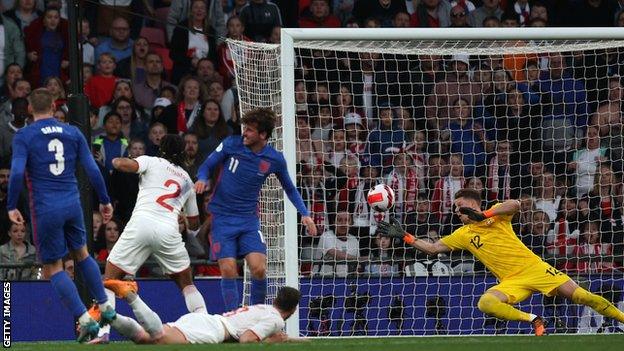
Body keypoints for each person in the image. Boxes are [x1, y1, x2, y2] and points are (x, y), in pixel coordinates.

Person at [376, 188, 624, 336]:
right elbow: (432, 248)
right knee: (485, 303)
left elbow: (516, 204)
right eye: (454, 209)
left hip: (535, 269)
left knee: (583, 297)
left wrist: (484, 215)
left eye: (459, 207)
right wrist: (406, 237)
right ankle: (533, 320)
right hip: (511, 281)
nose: (456, 211)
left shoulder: (497, 216)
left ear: (473, 204)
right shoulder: (462, 235)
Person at [6, 88, 115, 342]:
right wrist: (105, 200)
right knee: (82, 253)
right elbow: (91, 168)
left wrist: (11, 204)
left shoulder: (24, 135)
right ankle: (105, 305)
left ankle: (85, 319)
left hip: (46, 208)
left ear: (30, 109)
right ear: (55, 106)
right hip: (72, 203)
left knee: (53, 268)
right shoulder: (72, 132)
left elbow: (16, 171)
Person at [194, 108, 316, 311]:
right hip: (222, 218)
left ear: (263, 135)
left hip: (248, 220)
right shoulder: (231, 144)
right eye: (245, 129)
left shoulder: (274, 159)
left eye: (250, 130)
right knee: (229, 269)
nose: (245, 133)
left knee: (259, 269)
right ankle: (233, 316)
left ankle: (256, 315)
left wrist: (305, 214)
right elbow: (207, 165)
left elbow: (290, 188)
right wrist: (202, 178)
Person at [93, 134, 205, 343]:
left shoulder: (151, 161)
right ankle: (205, 325)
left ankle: (102, 333)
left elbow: (122, 164)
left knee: (109, 279)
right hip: (168, 229)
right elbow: (195, 223)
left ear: (162, 149)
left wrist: (116, 160)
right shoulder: (188, 180)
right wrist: (183, 221)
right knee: (186, 283)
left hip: (141, 224)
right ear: (182, 153)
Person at [105, 283, 302, 344]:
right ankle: (130, 295)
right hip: (212, 330)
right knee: (158, 337)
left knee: (144, 339)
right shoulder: (276, 319)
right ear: (293, 309)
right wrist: (270, 341)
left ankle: (109, 315)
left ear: (276, 299)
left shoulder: (264, 308)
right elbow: (246, 339)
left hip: (207, 320)